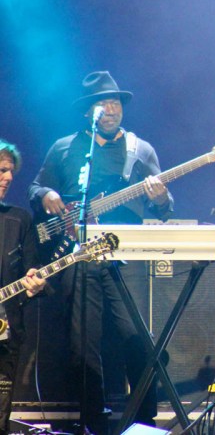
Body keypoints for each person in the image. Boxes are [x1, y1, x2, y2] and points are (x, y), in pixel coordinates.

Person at [28, 71, 174, 433]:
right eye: (102, 103)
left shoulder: (140, 150)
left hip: (124, 258)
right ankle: (92, 421)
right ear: (88, 111)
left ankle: (144, 421)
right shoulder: (65, 148)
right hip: (78, 256)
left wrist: (160, 197)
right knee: (83, 345)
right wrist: (45, 195)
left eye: (115, 102)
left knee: (136, 338)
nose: (110, 109)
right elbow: (36, 186)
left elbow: (164, 208)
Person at [0, 139, 47, 432]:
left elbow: (33, 270)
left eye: (10, 172)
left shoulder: (19, 220)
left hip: (6, 332)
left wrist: (36, 284)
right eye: (1, 170)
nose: (8, 177)